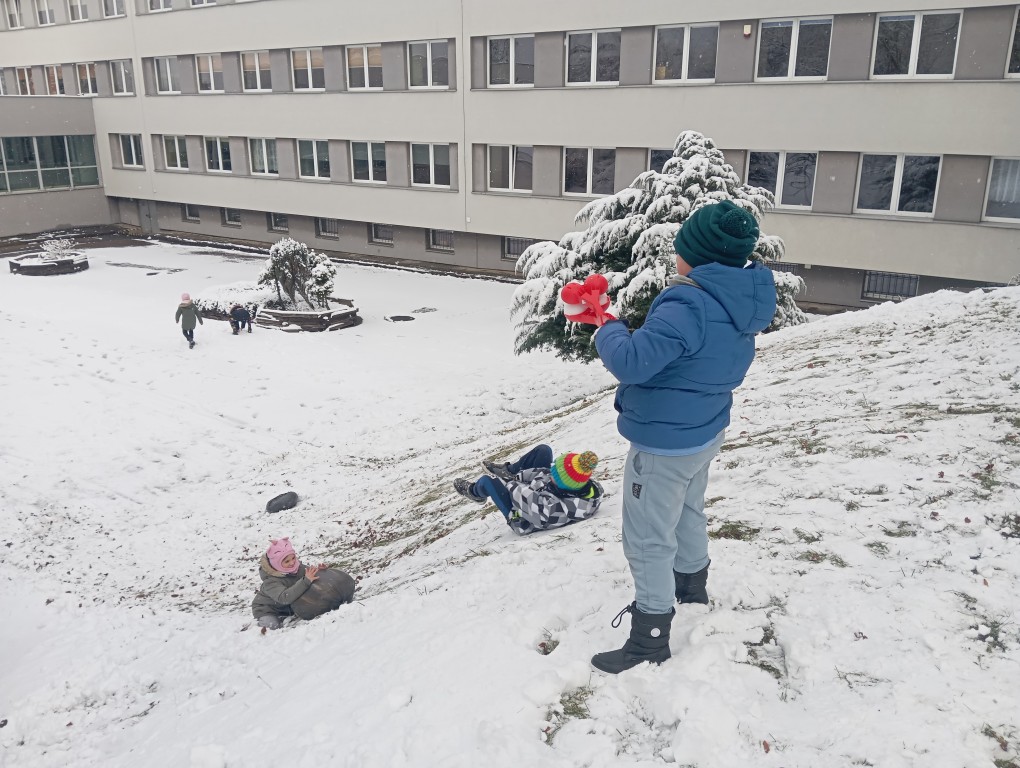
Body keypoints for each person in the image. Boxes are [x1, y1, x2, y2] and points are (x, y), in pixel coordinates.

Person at [581, 200, 777, 674]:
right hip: (704, 430)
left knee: (647, 535)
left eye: (682, 247)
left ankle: (650, 636)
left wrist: (607, 327)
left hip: (665, 442)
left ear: (699, 254)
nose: (676, 255)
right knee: (688, 507)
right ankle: (691, 583)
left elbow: (631, 362)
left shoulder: (689, 301)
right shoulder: (741, 298)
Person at [453, 445, 603, 535]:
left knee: (488, 481)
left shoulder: (552, 509)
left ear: (561, 483)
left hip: (522, 516)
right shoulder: (575, 485)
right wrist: (518, 476)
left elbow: (522, 496)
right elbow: (545, 474)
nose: (551, 472)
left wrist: (511, 482)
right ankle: (509, 470)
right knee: (543, 451)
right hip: (536, 493)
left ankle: (474, 492)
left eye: (555, 474)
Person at [251, 537, 339, 630]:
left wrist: (320, 572)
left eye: (293, 558)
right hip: (269, 609)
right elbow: (284, 597)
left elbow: (310, 576)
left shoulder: (298, 568)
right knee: (272, 626)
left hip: (289, 606)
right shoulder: (271, 581)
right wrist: (305, 581)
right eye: (287, 561)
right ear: (276, 564)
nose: (292, 562)